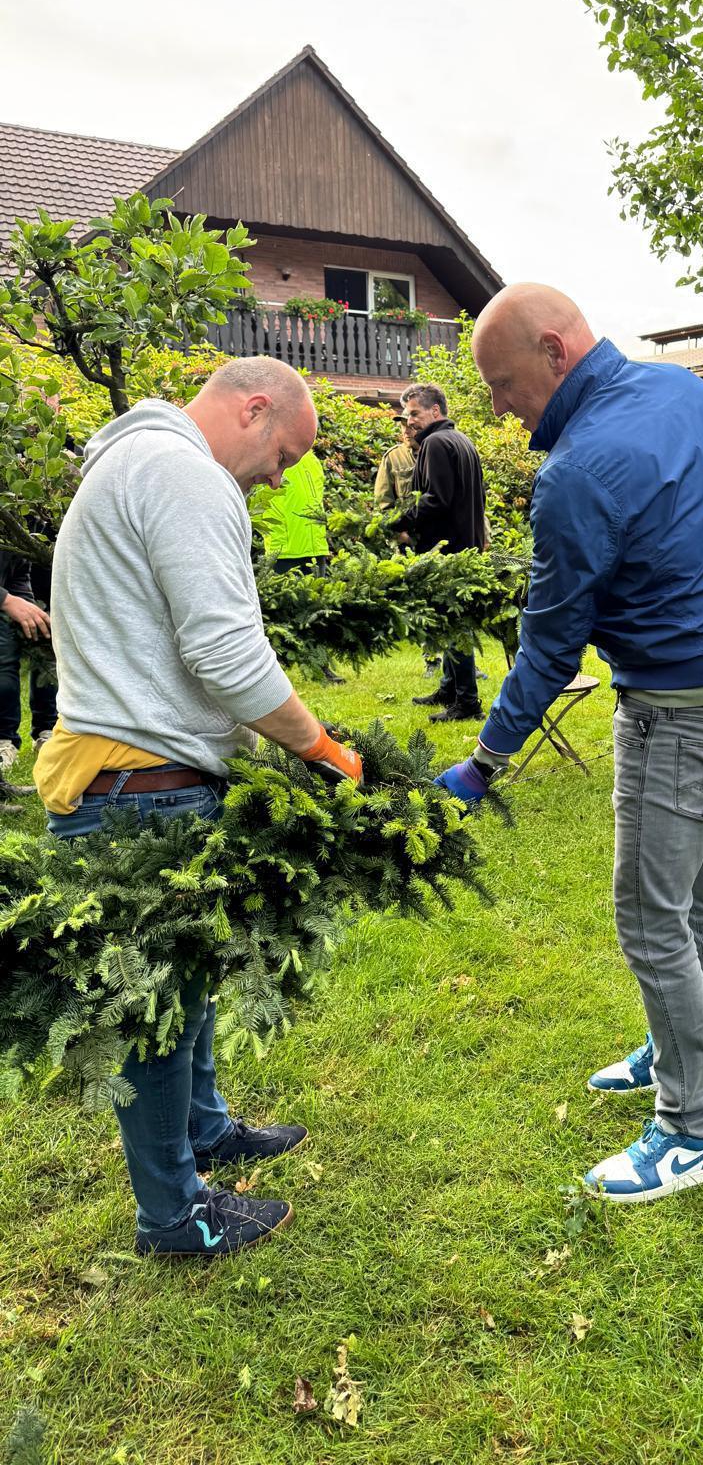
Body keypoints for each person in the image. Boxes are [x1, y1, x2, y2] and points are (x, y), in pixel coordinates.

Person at [436, 283, 703, 1204]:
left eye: (504, 387)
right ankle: (676, 1051)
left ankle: (688, 1131)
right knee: (695, 891)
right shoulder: (690, 395)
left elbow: (550, 646)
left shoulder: (580, 469)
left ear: (555, 351)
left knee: (650, 921)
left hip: (676, 718)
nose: (502, 414)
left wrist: (485, 761)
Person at [36, 355, 364, 1259]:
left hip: (137, 779)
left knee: (191, 982)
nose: (282, 478)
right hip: (139, 794)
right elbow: (223, 650)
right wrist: (319, 748)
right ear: (254, 409)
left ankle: (207, 1130)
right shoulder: (184, 474)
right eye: (287, 454)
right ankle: (175, 1217)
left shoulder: (133, 462)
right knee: (160, 1018)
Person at [396, 383, 487, 723]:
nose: (410, 422)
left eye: (415, 414)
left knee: (454, 626)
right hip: (467, 546)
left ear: (436, 412)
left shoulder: (435, 443)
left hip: (446, 549)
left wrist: (399, 520)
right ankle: (449, 688)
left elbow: (437, 500)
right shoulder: (461, 440)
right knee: (452, 623)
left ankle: (467, 703)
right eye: (407, 415)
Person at [0, 550, 55, 772]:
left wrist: (28, 609)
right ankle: (3, 740)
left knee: (45, 642)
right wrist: (5, 599)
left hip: (9, 591)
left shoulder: (12, 526)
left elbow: (18, 573)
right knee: (2, 660)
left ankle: (48, 731)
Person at [258, 448, 331, 576]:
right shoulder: (267, 457)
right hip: (283, 554)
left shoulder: (311, 459)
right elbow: (252, 502)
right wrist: (272, 531)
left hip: (316, 550)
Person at [373, 398, 415, 515]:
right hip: (405, 530)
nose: (406, 431)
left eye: (410, 426)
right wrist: (398, 531)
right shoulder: (393, 457)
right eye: (403, 425)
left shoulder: (436, 452)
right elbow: (382, 503)